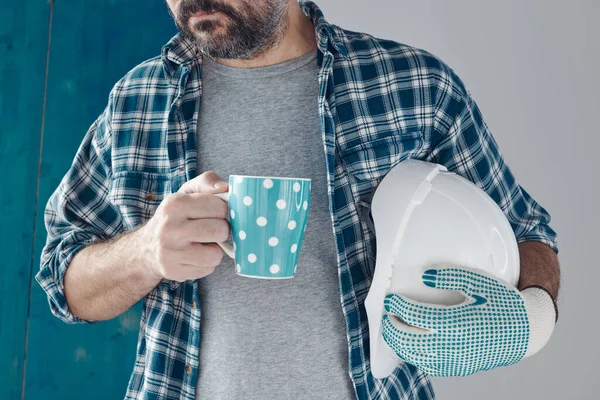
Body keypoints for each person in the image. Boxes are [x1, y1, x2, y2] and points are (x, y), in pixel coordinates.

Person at [35, 0, 561, 399]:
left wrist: (530, 321)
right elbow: (64, 279)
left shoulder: (415, 87)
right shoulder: (136, 101)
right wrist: (145, 252)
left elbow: (526, 233)